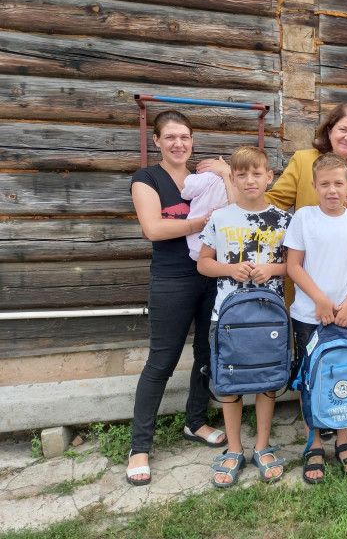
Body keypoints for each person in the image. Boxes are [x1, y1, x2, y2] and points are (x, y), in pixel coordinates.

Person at [126, 111, 231, 486]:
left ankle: (195, 422)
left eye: (184, 137)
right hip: (171, 280)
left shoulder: (205, 178)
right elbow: (154, 229)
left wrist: (226, 172)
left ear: (192, 140)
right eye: (170, 137)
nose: (178, 143)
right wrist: (204, 222)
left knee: (206, 354)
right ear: (156, 140)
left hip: (210, 277)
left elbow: (237, 209)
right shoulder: (146, 179)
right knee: (162, 361)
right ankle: (139, 447)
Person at [196, 146, 291, 487]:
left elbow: (295, 265)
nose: (250, 180)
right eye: (242, 174)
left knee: (267, 380)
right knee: (230, 380)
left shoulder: (284, 219)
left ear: (269, 177)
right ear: (232, 180)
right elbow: (203, 263)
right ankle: (234, 448)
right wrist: (229, 269)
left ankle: (262, 446)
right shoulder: (220, 218)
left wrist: (272, 269)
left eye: (256, 173)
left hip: (269, 318)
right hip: (227, 317)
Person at [284, 153, 347, 483]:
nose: (332, 190)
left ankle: (344, 440)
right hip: (310, 315)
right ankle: (314, 442)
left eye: (338, 183)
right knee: (311, 376)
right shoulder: (303, 218)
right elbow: (293, 266)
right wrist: (320, 300)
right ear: (314, 185)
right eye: (324, 184)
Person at [264, 103, 347, 331]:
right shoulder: (304, 161)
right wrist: (233, 196)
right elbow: (274, 201)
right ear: (329, 130)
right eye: (343, 129)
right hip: (313, 283)